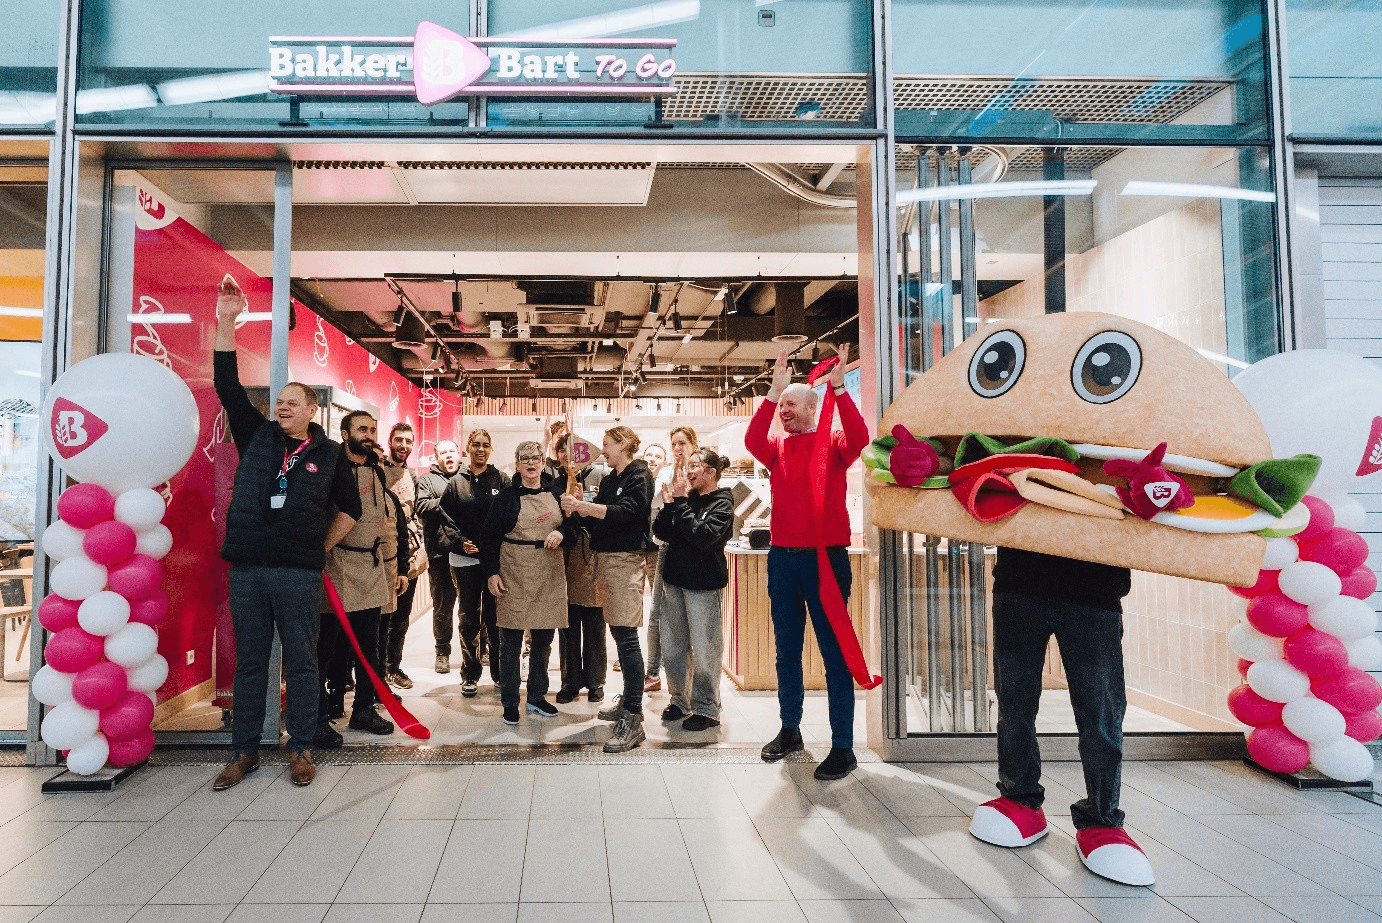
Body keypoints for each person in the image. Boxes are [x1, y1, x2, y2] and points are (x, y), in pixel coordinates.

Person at [211, 275, 360, 790]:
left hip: (298, 573)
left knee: (302, 662)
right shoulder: (257, 436)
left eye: (293, 402)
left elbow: (350, 510)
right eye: (279, 401)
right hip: (249, 570)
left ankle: (300, 748)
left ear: (312, 411)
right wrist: (226, 321)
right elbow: (227, 387)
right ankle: (244, 752)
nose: (282, 407)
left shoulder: (331, 455)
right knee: (251, 663)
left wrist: (317, 546)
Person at [968, 548, 1155, 887]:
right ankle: (1019, 795)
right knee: (1014, 704)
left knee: (1100, 713)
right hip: (1019, 582)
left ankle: (1102, 818)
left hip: (1094, 590)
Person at [746, 344, 867, 781]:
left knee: (834, 654)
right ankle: (790, 729)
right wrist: (771, 393)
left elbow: (859, 438)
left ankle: (843, 747)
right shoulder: (777, 448)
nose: (784, 411)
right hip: (782, 558)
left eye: (791, 404)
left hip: (825, 559)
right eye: (782, 406)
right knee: (786, 651)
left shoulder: (832, 442)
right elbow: (752, 441)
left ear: (813, 407)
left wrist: (841, 390)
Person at [561, 426, 654, 753]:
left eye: (607, 444)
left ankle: (634, 716)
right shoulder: (612, 478)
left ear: (624, 445)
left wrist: (586, 507)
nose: (602, 450)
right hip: (605, 561)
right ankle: (627, 702)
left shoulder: (639, 475)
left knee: (627, 638)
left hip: (625, 562)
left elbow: (628, 512)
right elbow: (598, 520)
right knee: (619, 634)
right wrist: (578, 507)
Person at [317, 411, 407, 741]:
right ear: (345, 433)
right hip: (336, 565)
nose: (369, 435)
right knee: (325, 649)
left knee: (370, 648)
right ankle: (319, 715)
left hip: (371, 566)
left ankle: (364, 710)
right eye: (361, 429)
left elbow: (386, 522)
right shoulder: (330, 467)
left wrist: (395, 567)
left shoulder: (377, 471)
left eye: (372, 429)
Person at [482, 442, 577, 725]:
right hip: (514, 572)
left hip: (549, 573)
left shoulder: (558, 494)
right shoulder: (506, 498)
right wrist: (492, 572)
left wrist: (561, 532)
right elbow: (488, 538)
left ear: (543, 462)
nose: (531, 463)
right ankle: (510, 701)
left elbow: (575, 527)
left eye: (535, 458)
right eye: (525, 459)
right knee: (510, 643)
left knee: (543, 641)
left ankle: (536, 697)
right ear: (517, 464)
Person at [653, 448, 734, 732]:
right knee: (673, 646)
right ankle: (680, 700)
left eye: (695, 466)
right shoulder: (686, 500)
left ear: (710, 473)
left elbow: (703, 537)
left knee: (704, 649)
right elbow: (661, 532)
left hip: (703, 585)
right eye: (688, 466)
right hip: (674, 581)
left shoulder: (722, 503)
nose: (689, 471)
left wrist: (680, 504)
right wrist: (669, 506)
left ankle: (707, 708)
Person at [440, 429, 509, 697]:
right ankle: (469, 674)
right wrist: (460, 542)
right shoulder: (455, 483)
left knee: (495, 618)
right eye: (476, 445)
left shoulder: (501, 480)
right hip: (463, 561)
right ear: (468, 448)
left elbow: (510, 517)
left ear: (491, 449)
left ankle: (500, 673)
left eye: (485, 445)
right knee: (468, 619)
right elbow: (445, 519)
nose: (481, 449)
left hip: (494, 563)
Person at [551, 423, 608, 705]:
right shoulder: (552, 480)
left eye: (573, 450)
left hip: (594, 556)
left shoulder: (601, 476)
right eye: (562, 450)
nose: (568, 455)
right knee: (568, 623)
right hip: (563, 557)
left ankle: (596, 681)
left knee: (596, 622)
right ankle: (570, 681)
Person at [644, 427, 698, 693]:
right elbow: (655, 502)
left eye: (682, 443)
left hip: (695, 551)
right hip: (666, 548)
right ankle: (652, 671)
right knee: (656, 612)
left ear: (693, 444)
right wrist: (673, 476)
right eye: (674, 443)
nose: (678, 448)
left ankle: (689, 678)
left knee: (691, 617)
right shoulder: (666, 473)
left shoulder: (700, 470)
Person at [379, 422, 421, 690]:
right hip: (381, 554)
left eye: (408, 441)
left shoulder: (412, 475)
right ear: (390, 441)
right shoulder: (378, 471)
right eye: (399, 440)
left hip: (408, 554)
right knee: (380, 617)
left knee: (401, 617)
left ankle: (393, 667)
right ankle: (374, 671)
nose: (403, 446)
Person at [416, 439, 461, 673]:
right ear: (436, 457)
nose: (449, 455)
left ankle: (480, 650)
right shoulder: (426, 480)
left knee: (475, 608)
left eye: (452, 451)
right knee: (443, 607)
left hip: (469, 554)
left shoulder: (469, 476)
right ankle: (442, 652)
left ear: (459, 453)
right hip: (440, 555)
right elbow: (421, 507)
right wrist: (450, 497)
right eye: (443, 452)